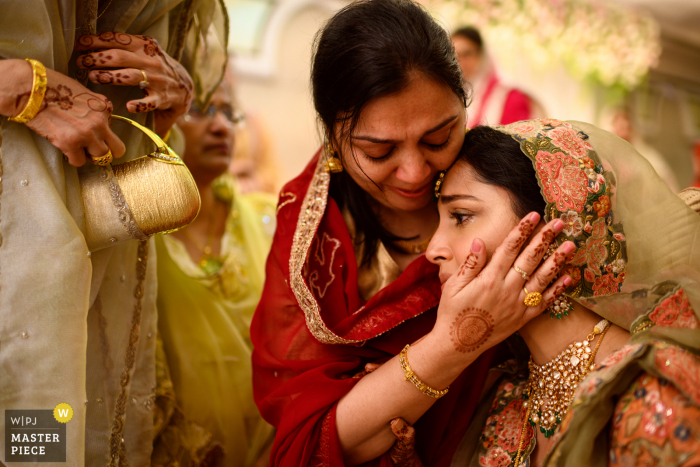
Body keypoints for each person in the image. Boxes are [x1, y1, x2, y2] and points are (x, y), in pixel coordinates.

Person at [250, 1, 574, 465]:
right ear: (332, 136)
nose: (414, 172)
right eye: (379, 151)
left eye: (438, 138)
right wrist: (458, 341)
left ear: (465, 102)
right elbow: (308, 441)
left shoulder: (505, 185)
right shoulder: (311, 231)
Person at [0, 2, 226, 465]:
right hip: (16, 235)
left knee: (62, 437)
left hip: (103, 255)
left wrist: (172, 92)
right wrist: (23, 85)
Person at [426, 119, 700, 466]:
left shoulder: (652, 391)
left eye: (461, 216)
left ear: (555, 226)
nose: (432, 249)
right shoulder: (505, 396)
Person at [153, 72, 276, 467]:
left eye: (228, 113)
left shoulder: (270, 219)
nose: (221, 125)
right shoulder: (137, 239)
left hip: (274, 443)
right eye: (202, 110)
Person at [451, 27, 541, 128]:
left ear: (481, 55)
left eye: (467, 54)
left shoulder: (509, 96)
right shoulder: (452, 98)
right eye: (454, 55)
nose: (460, 61)